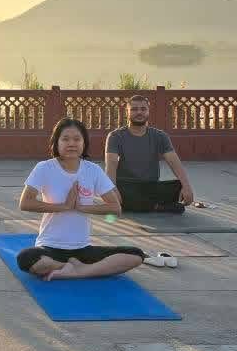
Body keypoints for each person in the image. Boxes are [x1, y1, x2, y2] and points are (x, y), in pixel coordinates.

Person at [16, 118, 145, 281]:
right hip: (50, 247)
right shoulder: (44, 168)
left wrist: (82, 208)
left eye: (77, 139)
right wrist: (64, 206)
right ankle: (68, 267)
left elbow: (115, 208)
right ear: (56, 142)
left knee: (136, 255)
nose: (71, 143)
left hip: (82, 248)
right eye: (65, 139)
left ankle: (78, 271)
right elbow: (25, 203)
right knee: (26, 259)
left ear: (84, 143)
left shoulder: (92, 170)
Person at [104, 94, 196, 213]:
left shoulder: (160, 136)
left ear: (148, 111)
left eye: (143, 109)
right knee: (112, 191)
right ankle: (156, 206)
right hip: (126, 186)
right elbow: (111, 165)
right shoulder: (115, 136)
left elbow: (174, 161)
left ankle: (141, 205)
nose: (139, 112)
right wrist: (112, 189)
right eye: (134, 109)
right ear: (127, 112)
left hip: (151, 186)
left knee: (178, 186)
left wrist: (186, 186)